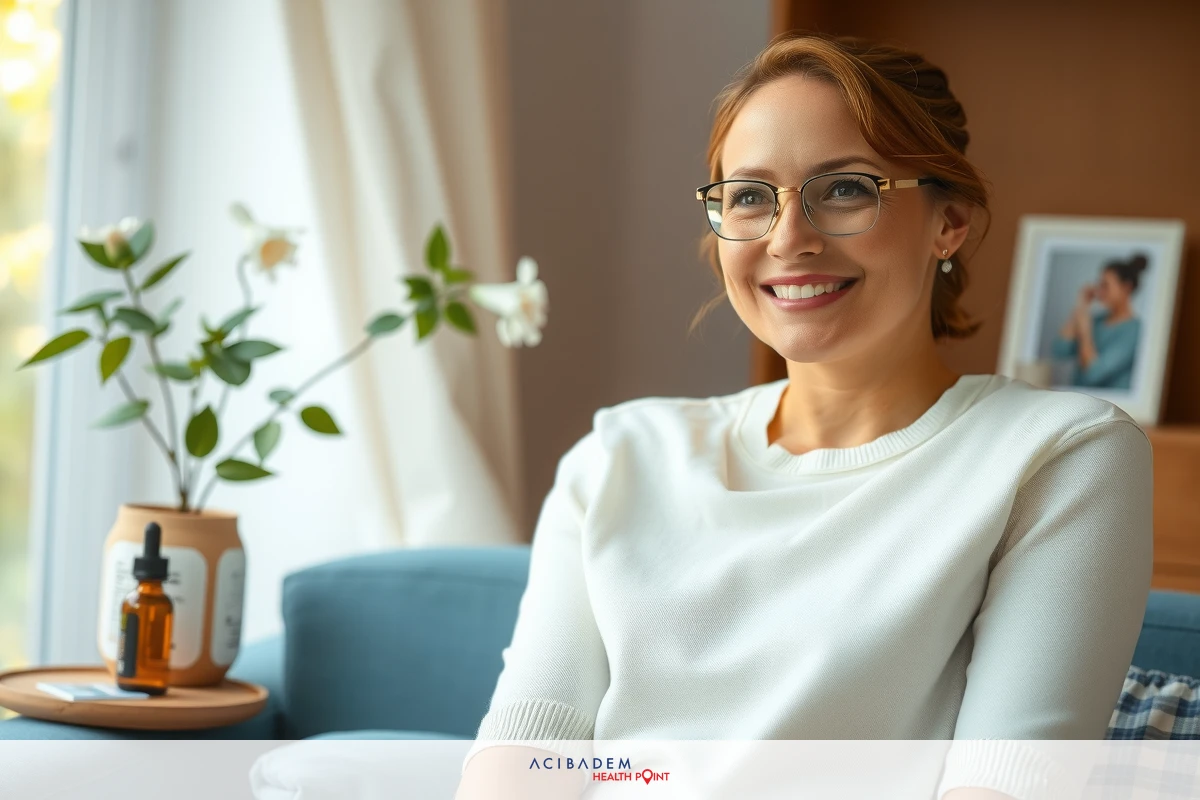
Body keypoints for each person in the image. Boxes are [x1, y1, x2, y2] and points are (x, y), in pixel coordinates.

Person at [456, 31, 1152, 800]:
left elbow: (1010, 786)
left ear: (949, 222)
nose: (790, 239)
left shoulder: (1058, 455)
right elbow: (521, 766)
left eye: (847, 188)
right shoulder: (619, 455)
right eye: (750, 197)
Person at [1050, 255, 1148, 390]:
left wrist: (1085, 330)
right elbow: (1060, 350)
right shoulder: (1096, 321)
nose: (1100, 291)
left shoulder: (1135, 330)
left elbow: (1094, 373)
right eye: (1099, 284)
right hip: (1077, 400)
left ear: (1127, 287)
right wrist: (1081, 306)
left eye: (1105, 285)